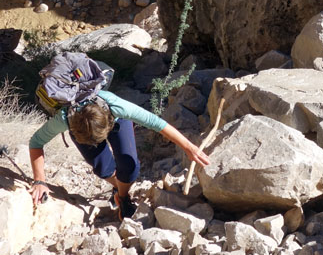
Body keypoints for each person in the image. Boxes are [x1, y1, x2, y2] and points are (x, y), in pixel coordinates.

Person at [28, 89, 210, 218]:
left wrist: (189, 147)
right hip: (82, 127)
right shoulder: (64, 118)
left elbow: (156, 123)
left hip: (114, 120)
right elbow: (36, 142)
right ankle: (119, 189)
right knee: (103, 167)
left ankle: (122, 196)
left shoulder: (117, 107)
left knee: (130, 166)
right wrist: (39, 181)